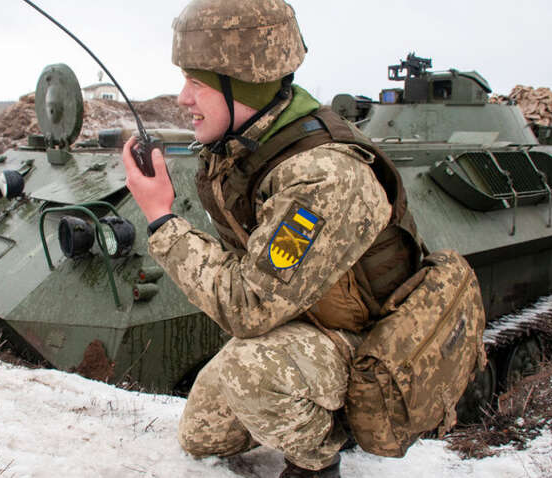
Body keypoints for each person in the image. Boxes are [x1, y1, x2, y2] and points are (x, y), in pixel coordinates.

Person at [121, 1, 418, 476]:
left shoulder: (323, 176)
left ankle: (321, 456)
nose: (182, 98)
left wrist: (161, 217)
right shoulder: (247, 143)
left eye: (196, 83)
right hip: (305, 313)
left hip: (368, 341)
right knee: (203, 436)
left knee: (251, 371)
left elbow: (248, 308)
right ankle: (297, 401)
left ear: (241, 84)